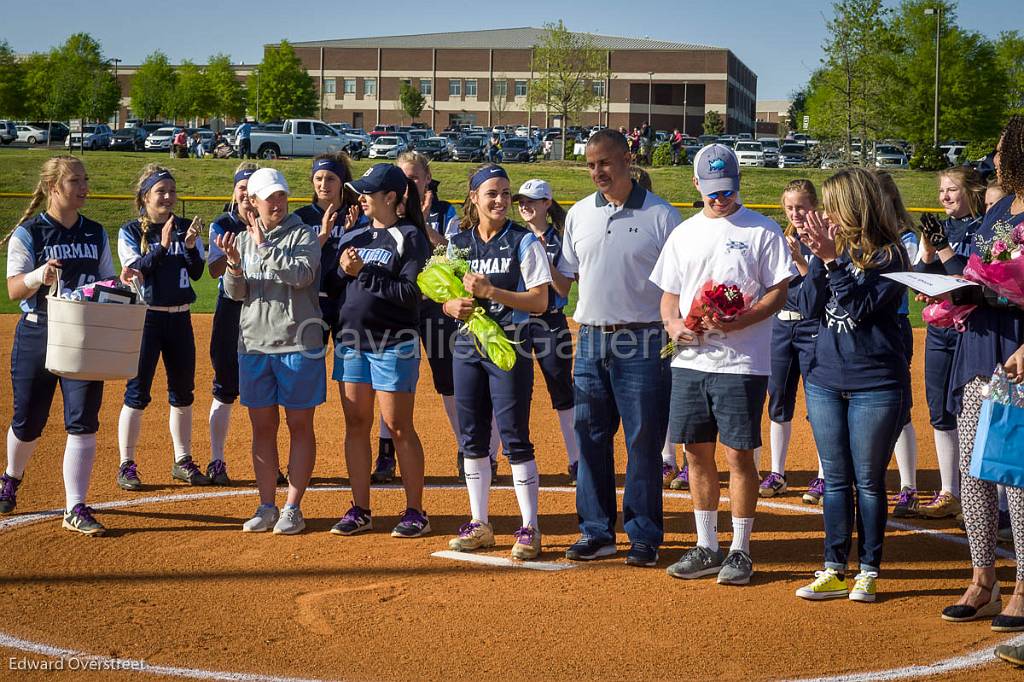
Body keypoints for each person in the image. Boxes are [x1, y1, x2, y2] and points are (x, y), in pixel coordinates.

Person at [653, 144, 792, 584]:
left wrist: (740, 321)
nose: (720, 199)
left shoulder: (763, 230)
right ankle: (707, 545)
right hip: (690, 361)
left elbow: (778, 291)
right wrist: (673, 324)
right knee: (695, 452)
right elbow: (669, 294)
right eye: (712, 191)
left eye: (727, 190)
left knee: (738, 455)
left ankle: (740, 549)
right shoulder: (684, 233)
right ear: (696, 185)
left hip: (742, 362)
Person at [562, 129, 680, 567]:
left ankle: (644, 535)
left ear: (627, 160)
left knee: (643, 440)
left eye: (605, 163)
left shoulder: (661, 215)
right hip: (590, 337)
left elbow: (680, 285)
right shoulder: (577, 214)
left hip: (644, 338)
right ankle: (596, 532)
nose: (598, 172)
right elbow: (566, 277)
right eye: (591, 165)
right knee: (589, 437)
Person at [924, 116, 1024, 629]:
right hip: (979, 346)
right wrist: (944, 291)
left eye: (1002, 149)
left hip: (1017, 351)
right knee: (974, 467)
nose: (995, 158)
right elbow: (977, 271)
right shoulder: (998, 210)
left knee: (1016, 474)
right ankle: (982, 577)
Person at [794, 167, 911, 603]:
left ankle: (868, 570)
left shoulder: (891, 254)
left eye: (830, 203)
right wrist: (818, 260)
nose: (824, 212)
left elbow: (860, 308)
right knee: (837, 480)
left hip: (875, 383)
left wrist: (831, 260)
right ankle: (833, 568)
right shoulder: (827, 247)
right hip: (826, 379)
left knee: (868, 481)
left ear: (853, 204)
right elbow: (807, 307)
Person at [1, 156, 118, 534]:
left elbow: (109, 282)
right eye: (75, 181)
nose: (84, 187)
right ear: (54, 188)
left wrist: (121, 284)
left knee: (83, 421)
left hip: (83, 337)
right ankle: (11, 477)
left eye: (85, 179)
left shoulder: (95, 232)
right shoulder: (30, 233)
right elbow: (14, 288)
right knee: (29, 421)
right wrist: (40, 274)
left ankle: (76, 507)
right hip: (39, 331)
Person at [444, 163, 552, 560]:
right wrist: (448, 303)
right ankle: (480, 523)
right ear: (474, 198)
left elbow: (541, 300)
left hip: (511, 345)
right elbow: (446, 293)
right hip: (468, 345)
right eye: (491, 193)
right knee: (472, 435)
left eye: (506, 193)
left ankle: (529, 527)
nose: (500, 200)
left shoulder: (522, 242)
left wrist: (493, 291)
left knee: (514, 434)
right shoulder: (459, 243)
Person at [217, 167, 325, 535]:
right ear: (254, 202)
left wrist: (265, 247)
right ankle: (266, 505)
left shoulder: (303, 234)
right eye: (269, 197)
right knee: (262, 428)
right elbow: (236, 293)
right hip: (254, 345)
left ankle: (292, 506)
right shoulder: (244, 240)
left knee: (299, 425)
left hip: (298, 342)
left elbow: (301, 276)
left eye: (281, 195)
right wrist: (234, 264)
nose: (276, 202)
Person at [326, 163, 432, 538]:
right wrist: (340, 271)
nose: (363, 196)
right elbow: (334, 289)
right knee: (356, 424)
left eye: (370, 191)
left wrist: (363, 274)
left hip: (392, 344)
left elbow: (411, 295)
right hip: (351, 343)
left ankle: (416, 510)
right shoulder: (352, 236)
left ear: (392, 198)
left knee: (399, 426)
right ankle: (361, 509)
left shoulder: (410, 238)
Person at [366, 151, 464, 483]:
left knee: (447, 380)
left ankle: (467, 449)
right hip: (397, 308)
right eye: (403, 177)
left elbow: (453, 253)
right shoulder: (386, 213)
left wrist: (424, 225)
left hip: (434, 305)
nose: (409, 184)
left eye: (415, 178)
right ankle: (385, 455)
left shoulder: (443, 210)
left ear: (426, 179)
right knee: (389, 382)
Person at [116, 165, 208, 491]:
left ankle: (182, 460)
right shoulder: (130, 231)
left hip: (181, 318)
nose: (168, 197)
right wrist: (162, 246)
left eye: (171, 190)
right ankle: (127, 464)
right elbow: (133, 270)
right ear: (145, 197)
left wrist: (194, 247)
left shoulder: (184, 227)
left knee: (183, 393)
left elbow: (197, 273)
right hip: (147, 319)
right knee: (137, 393)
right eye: (160, 191)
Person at [913, 167, 985, 519]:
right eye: (942, 190)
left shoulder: (984, 228)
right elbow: (922, 282)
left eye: (952, 189)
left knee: (976, 412)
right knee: (940, 410)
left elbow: (967, 280)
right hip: (940, 331)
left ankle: (984, 498)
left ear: (972, 191)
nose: (944, 197)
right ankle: (949, 492)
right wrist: (927, 254)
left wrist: (941, 248)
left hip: (974, 331)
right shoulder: (941, 230)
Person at [758, 179, 826, 504]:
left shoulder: (826, 238)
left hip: (813, 329)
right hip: (782, 328)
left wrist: (801, 258)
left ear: (814, 205)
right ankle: (777, 472)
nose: (796, 213)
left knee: (819, 404)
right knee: (778, 399)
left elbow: (823, 288)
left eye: (801, 206)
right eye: (790, 208)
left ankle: (825, 475)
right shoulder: (780, 238)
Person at [514, 178, 580, 483]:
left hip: (551, 322)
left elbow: (564, 288)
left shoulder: (560, 240)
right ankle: (491, 458)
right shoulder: (512, 236)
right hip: (516, 323)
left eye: (531, 200)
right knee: (510, 389)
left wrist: (541, 257)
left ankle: (577, 459)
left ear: (546, 204)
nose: (524, 206)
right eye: (521, 201)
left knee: (561, 389)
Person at [205, 162, 259, 486]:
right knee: (225, 386)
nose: (248, 196)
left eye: (253, 190)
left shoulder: (270, 221)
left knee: (264, 390)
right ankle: (216, 460)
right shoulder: (222, 223)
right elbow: (212, 270)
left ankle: (270, 463)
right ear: (235, 191)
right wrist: (232, 251)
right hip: (230, 308)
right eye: (243, 188)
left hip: (262, 309)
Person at [874, 169, 921, 518]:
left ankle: (908, 486)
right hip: (864, 330)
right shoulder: (861, 235)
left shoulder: (904, 238)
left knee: (899, 408)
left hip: (895, 326)